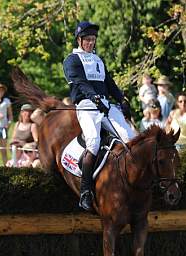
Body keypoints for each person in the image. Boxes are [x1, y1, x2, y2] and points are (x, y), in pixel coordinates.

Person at [62, 21, 136, 211]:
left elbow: (109, 83)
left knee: (131, 138)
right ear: (79, 40)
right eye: (87, 40)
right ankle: (86, 191)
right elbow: (79, 83)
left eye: (93, 40)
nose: (90, 43)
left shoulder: (98, 60)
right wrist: (94, 99)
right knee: (93, 142)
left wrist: (122, 99)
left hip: (105, 104)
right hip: (87, 105)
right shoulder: (72, 60)